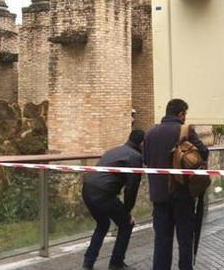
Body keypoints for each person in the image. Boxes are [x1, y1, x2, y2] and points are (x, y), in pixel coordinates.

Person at [144, 98, 209, 270]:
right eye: (185, 114)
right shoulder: (184, 130)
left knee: (162, 242)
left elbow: (146, 160)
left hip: (159, 196)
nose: (185, 118)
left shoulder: (150, 133)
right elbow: (204, 152)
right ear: (180, 114)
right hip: (182, 194)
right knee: (185, 241)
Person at [81, 129, 145, 270]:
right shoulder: (135, 157)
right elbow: (131, 187)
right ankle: (116, 264)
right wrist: (127, 212)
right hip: (104, 193)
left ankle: (88, 262)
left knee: (103, 224)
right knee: (126, 225)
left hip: (87, 188)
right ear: (141, 143)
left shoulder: (115, 150)